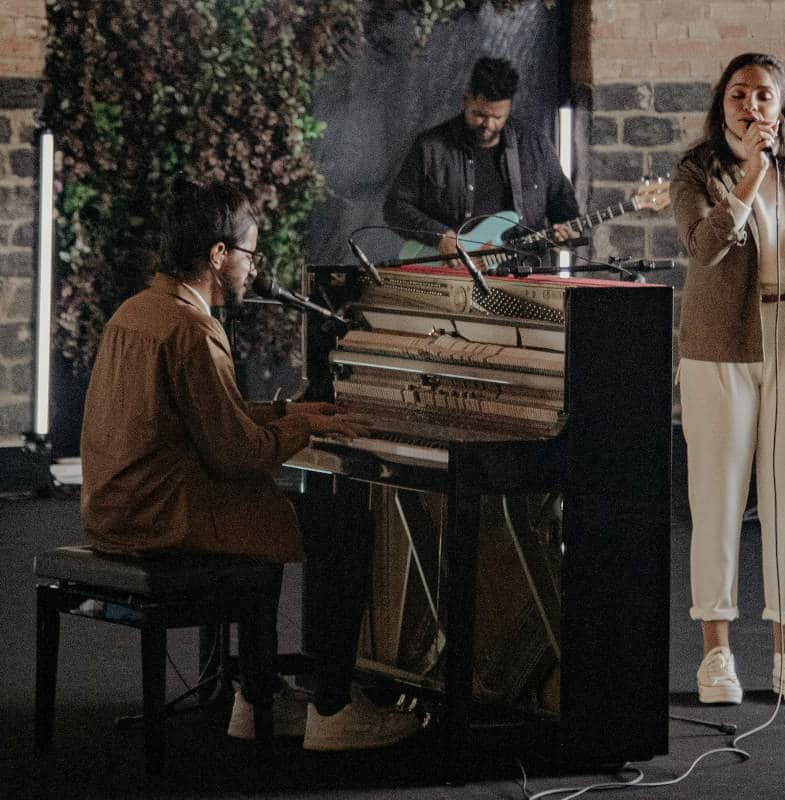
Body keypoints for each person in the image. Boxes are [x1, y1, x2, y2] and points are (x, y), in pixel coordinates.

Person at [81, 181, 420, 750]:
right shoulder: (193, 329)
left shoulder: (138, 312)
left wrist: (289, 410)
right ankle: (334, 710)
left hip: (118, 510)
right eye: (250, 254)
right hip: (165, 519)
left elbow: (205, 415)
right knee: (339, 521)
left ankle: (257, 695)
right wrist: (306, 426)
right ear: (219, 255)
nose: (252, 268)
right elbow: (237, 454)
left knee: (269, 515)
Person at [672, 53, 785, 705]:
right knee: (716, 500)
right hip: (720, 348)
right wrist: (749, 177)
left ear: (782, 107)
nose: (752, 107)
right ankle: (717, 655)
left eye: (765, 96)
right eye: (740, 95)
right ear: (722, 104)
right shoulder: (697, 171)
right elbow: (706, 247)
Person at [383, 56, 579, 262]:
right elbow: (396, 207)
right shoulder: (431, 147)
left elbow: (564, 210)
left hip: (522, 274)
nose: (488, 124)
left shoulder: (535, 145)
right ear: (465, 100)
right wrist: (440, 237)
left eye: (498, 117)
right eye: (479, 114)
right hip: (454, 274)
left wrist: (568, 234)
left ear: (509, 108)